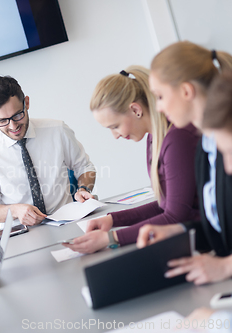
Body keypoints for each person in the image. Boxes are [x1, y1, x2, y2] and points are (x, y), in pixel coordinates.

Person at [63, 66, 200, 254]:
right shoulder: (155, 136)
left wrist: (111, 238)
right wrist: (112, 220)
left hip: (204, 241)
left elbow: (175, 216)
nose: (115, 136)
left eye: (115, 126)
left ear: (135, 109)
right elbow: (166, 203)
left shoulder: (176, 138)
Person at [137, 41, 232, 285]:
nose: (157, 107)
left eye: (159, 96)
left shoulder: (226, 144)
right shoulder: (204, 148)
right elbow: (222, 232)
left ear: (187, 91)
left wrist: (224, 266)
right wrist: (179, 232)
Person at [0, 75, 96, 226]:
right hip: (21, 234)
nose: (13, 126)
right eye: (2, 121)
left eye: (17, 115)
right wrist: (16, 211)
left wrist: (83, 188)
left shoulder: (57, 131)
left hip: (66, 222)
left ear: (27, 103)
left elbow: (84, 167)